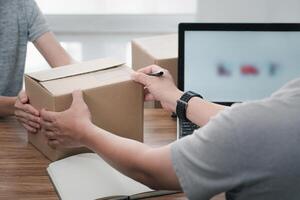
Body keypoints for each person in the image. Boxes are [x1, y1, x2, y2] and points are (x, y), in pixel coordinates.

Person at [40, 64, 300, 200]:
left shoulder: (258, 126)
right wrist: (180, 99)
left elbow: (150, 169)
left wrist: (83, 132)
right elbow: (255, 122)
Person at [0, 0, 74, 133]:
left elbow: (66, 66)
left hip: (9, 124)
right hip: (13, 115)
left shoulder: (22, 5)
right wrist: (14, 106)